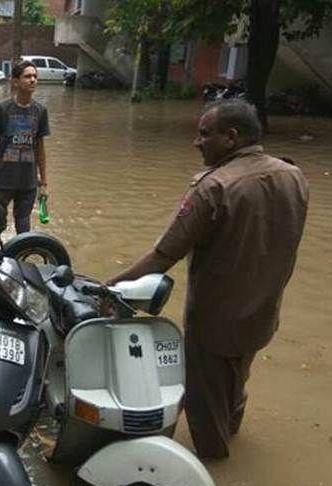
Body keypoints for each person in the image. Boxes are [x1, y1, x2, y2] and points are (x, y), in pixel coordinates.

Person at [105, 99, 309, 460]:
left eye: (204, 135)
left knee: (204, 404)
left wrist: (106, 289)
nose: (196, 143)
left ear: (230, 137)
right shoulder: (293, 176)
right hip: (263, 314)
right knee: (235, 384)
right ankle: (231, 432)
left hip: (215, 322)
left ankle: (214, 476)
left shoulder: (213, 188)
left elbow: (163, 256)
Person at [0, 60, 50, 254]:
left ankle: (21, 264)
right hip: (2, 179)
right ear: (15, 81)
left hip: (27, 182)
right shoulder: (3, 109)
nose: (33, 80)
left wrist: (44, 182)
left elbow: (40, 147)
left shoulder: (40, 111)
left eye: (35, 76)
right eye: (27, 76)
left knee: (24, 229)